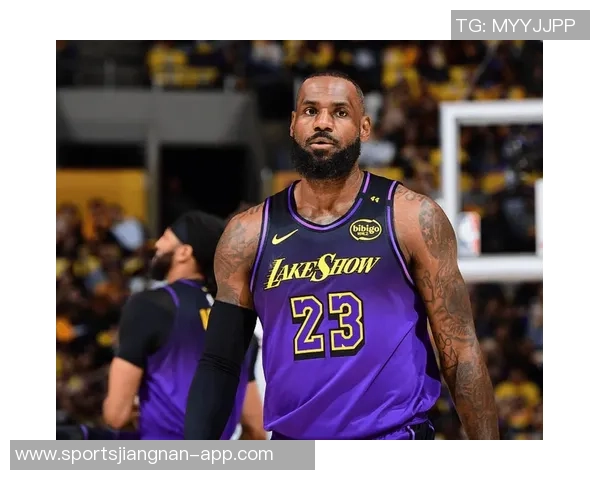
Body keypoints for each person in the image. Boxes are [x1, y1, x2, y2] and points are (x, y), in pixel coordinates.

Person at [184, 71, 499, 440]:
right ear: (293, 124)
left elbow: (460, 351)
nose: (322, 123)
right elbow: (220, 363)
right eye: (310, 111)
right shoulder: (247, 234)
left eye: (339, 112)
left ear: (364, 127)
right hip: (295, 450)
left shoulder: (411, 217)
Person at [103, 211, 266, 440]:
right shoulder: (238, 320)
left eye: (165, 238)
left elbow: (116, 416)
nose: (157, 244)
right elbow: (256, 428)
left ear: (184, 252)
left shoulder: (150, 306)